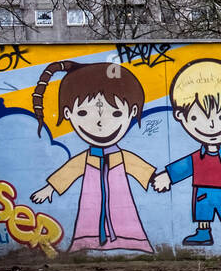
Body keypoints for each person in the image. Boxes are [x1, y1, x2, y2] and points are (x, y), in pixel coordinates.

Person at [30, 60, 154, 253]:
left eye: (115, 112)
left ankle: (129, 240)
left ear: (133, 112)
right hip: (91, 206)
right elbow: (69, 171)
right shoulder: (87, 158)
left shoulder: (121, 156)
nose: (99, 124)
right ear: (68, 113)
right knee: (90, 213)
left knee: (125, 216)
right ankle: (88, 241)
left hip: (123, 208)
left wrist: (160, 178)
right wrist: (50, 188)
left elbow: (140, 168)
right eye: (82, 112)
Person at [152, 59, 221, 246]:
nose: (211, 124)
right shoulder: (196, 157)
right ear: (180, 116)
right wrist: (167, 176)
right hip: (203, 189)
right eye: (196, 116)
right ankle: (203, 232)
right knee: (203, 212)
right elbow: (183, 167)